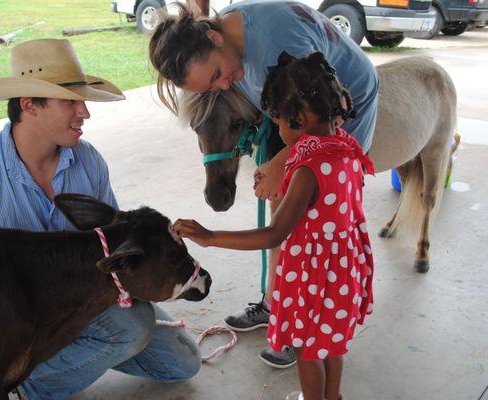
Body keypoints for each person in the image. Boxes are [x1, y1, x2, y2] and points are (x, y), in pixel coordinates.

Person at [0, 38, 201, 400]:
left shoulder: (88, 161)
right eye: (70, 101)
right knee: (132, 328)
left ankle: (59, 362)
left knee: (182, 362)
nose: (85, 112)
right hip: (2, 326)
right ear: (30, 105)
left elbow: (113, 241)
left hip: (81, 301)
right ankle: (17, 383)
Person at [149, 0, 379, 367]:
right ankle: (279, 304)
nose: (224, 85)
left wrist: (282, 161)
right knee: (285, 210)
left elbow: (318, 123)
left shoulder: (281, 47)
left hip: (340, 107)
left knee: (309, 220)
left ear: (213, 36)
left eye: (216, 76)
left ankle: (306, 324)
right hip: (296, 112)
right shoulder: (230, 34)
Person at [174, 51, 375, 400]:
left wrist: (210, 237)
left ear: (300, 116)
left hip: (314, 279)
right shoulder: (347, 152)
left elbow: (274, 234)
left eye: (280, 119)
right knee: (330, 345)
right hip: (342, 274)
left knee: (307, 351)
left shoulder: (308, 170)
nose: (278, 128)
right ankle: (333, 397)